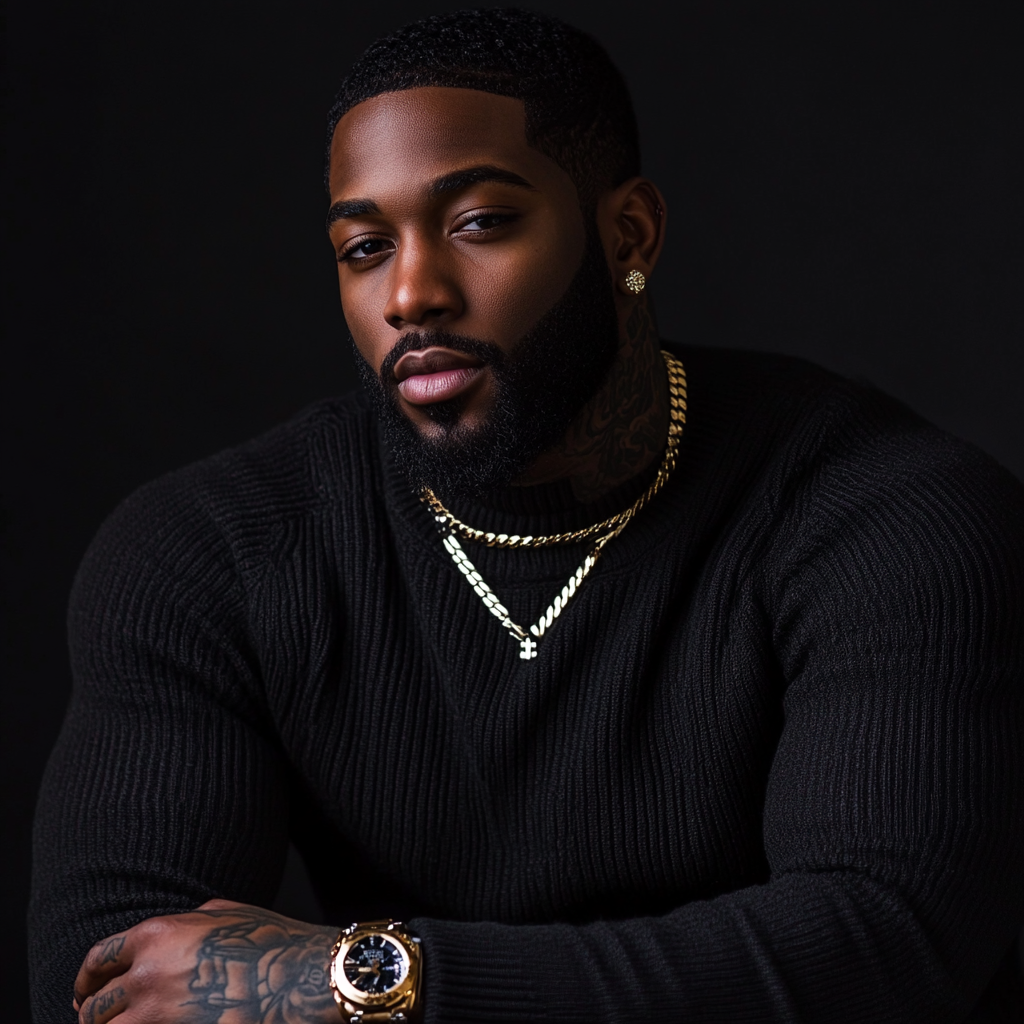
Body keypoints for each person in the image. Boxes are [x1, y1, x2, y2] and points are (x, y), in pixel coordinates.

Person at [30, 8, 1024, 1024]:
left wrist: (375, 983)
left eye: (480, 223)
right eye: (365, 247)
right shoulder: (213, 551)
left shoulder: (892, 513)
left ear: (627, 232)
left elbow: (882, 947)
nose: (411, 293)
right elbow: (117, 984)